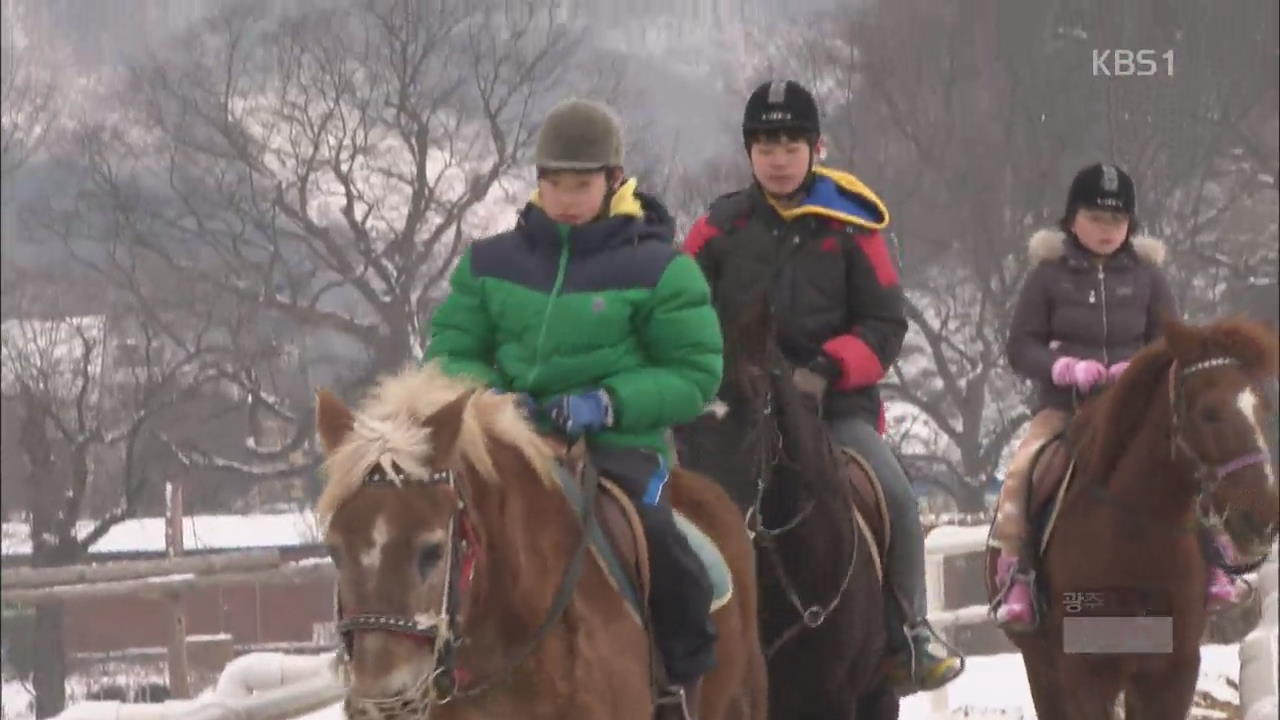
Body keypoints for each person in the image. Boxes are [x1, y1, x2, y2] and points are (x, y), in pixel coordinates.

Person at [423, 98, 723, 718]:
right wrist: (496, 403)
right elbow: (451, 353)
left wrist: (609, 403)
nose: (564, 197)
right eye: (552, 182)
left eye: (580, 184)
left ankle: (674, 685)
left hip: (621, 449)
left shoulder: (664, 270)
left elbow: (695, 374)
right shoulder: (487, 264)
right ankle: (420, 677)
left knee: (664, 543)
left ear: (615, 181)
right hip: (505, 444)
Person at [681, 79, 963, 696]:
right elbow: (683, 315)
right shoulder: (715, 230)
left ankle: (908, 632)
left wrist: (827, 370)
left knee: (896, 495)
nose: (777, 157)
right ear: (748, 152)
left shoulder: (854, 228)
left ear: (816, 148)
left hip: (833, 409)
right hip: (737, 409)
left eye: (789, 143)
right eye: (764, 144)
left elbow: (886, 322)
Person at [991, 161, 1242, 631]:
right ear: (1072, 219)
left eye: (1117, 221)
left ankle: (1215, 560)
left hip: (1141, 410)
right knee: (1024, 469)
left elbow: (1174, 341)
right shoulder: (1047, 276)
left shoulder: (1148, 278)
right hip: (1065, 408)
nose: (1107, 231)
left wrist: (1141, 366)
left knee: (1194, 459)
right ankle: (1018, 573)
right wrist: (1062, 367)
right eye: (1096, 219)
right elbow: (1020, 346)